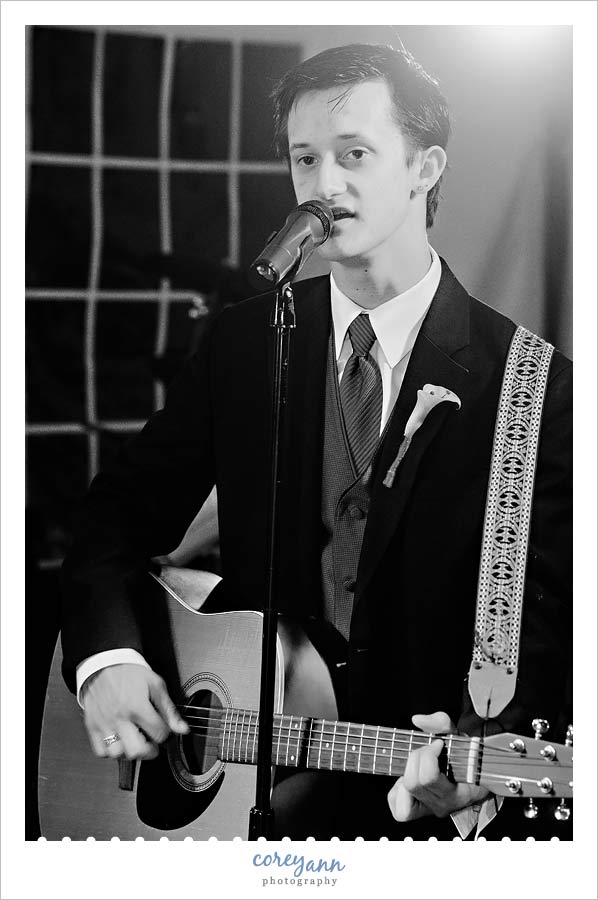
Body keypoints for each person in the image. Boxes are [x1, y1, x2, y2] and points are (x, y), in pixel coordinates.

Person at [60, 42, 572, 840]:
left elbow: (552, 621)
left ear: (425, 168)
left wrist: (477, 761)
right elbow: (111, 522)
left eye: (354, 154)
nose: (323, 186)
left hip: (415, 817)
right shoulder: (243, 345)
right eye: (305, 160)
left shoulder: (534, 386)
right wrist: (109, 661)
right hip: (237, 817)